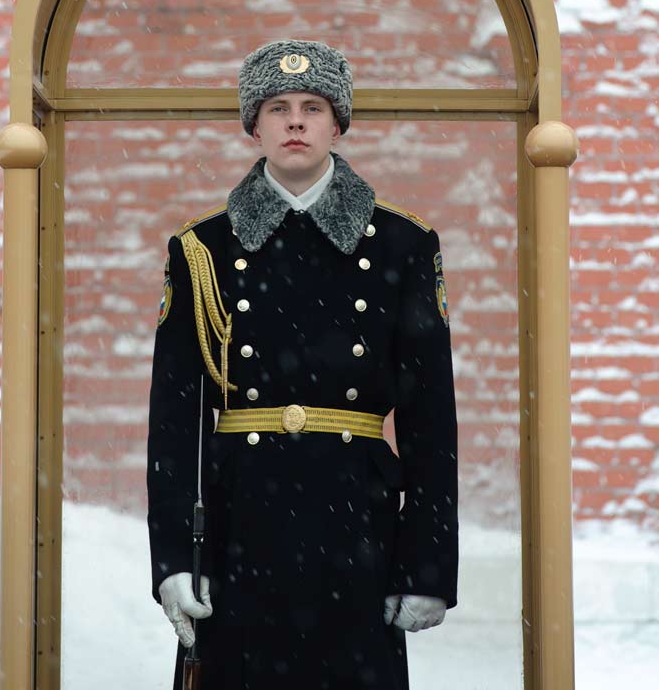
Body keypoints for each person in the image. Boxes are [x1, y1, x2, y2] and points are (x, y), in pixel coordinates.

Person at [147, 39, 457, 689]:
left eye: (313, 107)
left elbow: (431, 421)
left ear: (337, 123)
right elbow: (174, 423)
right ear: (253, 125)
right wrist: (174, 559)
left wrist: (427, 568)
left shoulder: (402, 244)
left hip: (357, 524)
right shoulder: (201, 249)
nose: (295, 122)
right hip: (240, 525)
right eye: (278, 107)